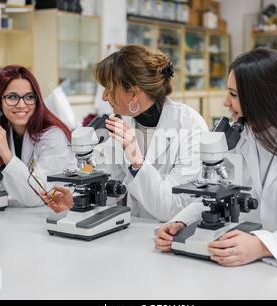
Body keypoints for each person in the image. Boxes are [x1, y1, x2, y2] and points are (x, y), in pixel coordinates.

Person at [155, 48, 277, 268]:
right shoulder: (245, 136)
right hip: (251, 264)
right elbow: (216, 194)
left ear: (262, 98)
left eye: (233, 95)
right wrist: (181, 222)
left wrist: (262, 245)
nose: (225, 102)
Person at [45, 45, 209, 221]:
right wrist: (76, 199)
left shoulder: (189, 125)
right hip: (131, 229)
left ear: (133, 93)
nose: (104, 97)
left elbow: (172, 208)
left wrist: (137, 161)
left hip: (168, 234)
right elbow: (104, 177)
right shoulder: (122, 123)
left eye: (109, 88)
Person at [0, 65, 76, 207]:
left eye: (29, 97)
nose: (21, 104)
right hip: (17, 214)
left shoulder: (53, 135)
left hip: (54, 214)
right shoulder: (2, 131)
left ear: (37, 100)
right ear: (0, 100)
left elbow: (37, 197)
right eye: (12, 97)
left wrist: (5, 153)